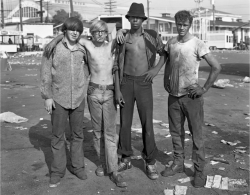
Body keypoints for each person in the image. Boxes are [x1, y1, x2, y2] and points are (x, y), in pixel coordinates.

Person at [44, 20, 127, 188]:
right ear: (91, 33)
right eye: (96, 32)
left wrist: (121, 31)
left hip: (102, 93)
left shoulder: (109, 45)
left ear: (106, 33)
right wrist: (55, 39)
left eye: (103, 32)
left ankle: (108, 170)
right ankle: (66, 170)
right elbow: (70, 35)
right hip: (85, 93)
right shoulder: (81, 45)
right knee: (91, 133)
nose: (99, 34)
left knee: (103, 133)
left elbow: (126, 34)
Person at [160, 10, 221, 188]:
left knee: (197, 136)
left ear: (190, 25)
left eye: (184, 25)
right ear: (175, 24)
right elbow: (168, 62)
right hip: (174, 97)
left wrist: (203, 88)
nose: (181, 28)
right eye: (178, 24)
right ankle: (178, 163)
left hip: (191, 97)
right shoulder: (171, 43)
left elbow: (216, 67)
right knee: (176, 133)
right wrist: (166, 80)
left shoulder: (198, 44)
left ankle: (199, 171)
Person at [115, 2, 167, 180]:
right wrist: (117, 90)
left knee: (147, 124)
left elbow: (164, 53)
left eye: (138, 17)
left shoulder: (152, 35)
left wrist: (155, 70)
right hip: (126, 82)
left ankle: (150, 162)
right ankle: (125, 158)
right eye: (132, 17)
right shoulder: (122, 38)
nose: (135, 19)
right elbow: (116, 64)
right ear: (128, 19)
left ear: (143, 19)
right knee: (124, 123)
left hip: (144, 82)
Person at [40, 17, 89, 188]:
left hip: (77, 99)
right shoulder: (54, 48)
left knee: (77, 135)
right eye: (71, 29)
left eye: (78, 30)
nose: (75, 32)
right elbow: (46, 72)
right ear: (65, 31)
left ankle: (78, 167)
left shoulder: (83, 49)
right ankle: (57, 171)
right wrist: (47, 96)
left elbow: (90, 67)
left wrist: (84, 86)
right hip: (58, 98)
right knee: (57, 136)